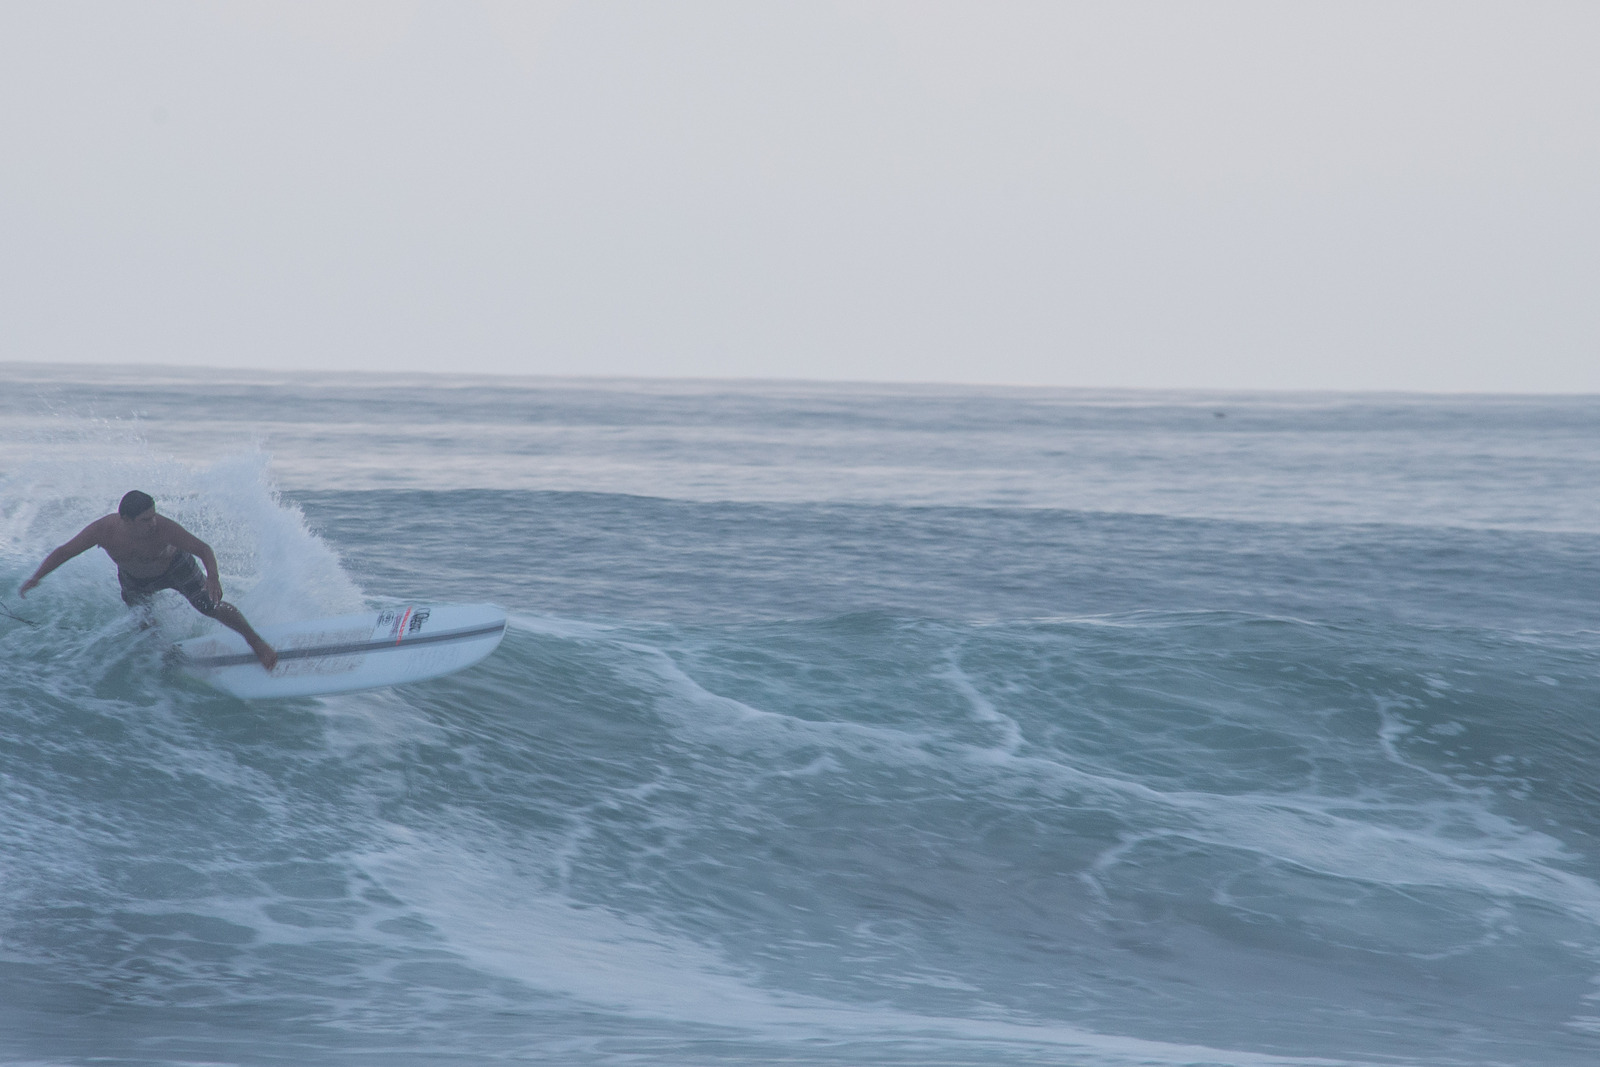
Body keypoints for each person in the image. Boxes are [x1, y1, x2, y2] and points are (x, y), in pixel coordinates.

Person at [19, 490, 278, 670]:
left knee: (208, 606)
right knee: (143, 624)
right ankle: (169, 657)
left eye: (153, 515)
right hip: (134, 578)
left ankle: (256, 642)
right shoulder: (103, 531)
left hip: (175, 567)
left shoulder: (163, 529)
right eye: (145, 519)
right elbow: (65, 551)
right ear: (126, 520)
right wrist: (37, 577)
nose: (152, 522)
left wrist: (213, 577)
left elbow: (203, 549)